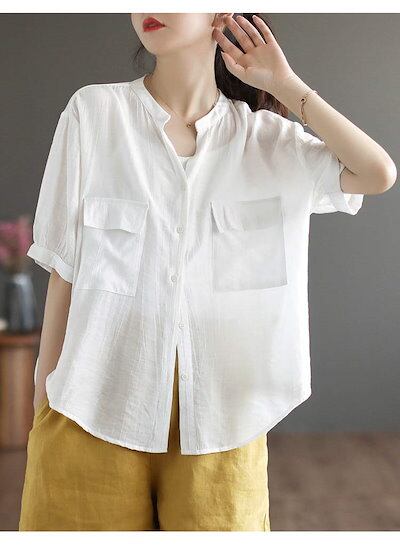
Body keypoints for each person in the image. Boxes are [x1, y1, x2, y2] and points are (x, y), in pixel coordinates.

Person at [19, 13, 396, 531]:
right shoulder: (94, 113)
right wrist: (44, 392)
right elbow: (65, 261)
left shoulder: (269, 141)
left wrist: (287, 86)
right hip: (91, 405)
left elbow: (376, 173)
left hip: (223, 422)